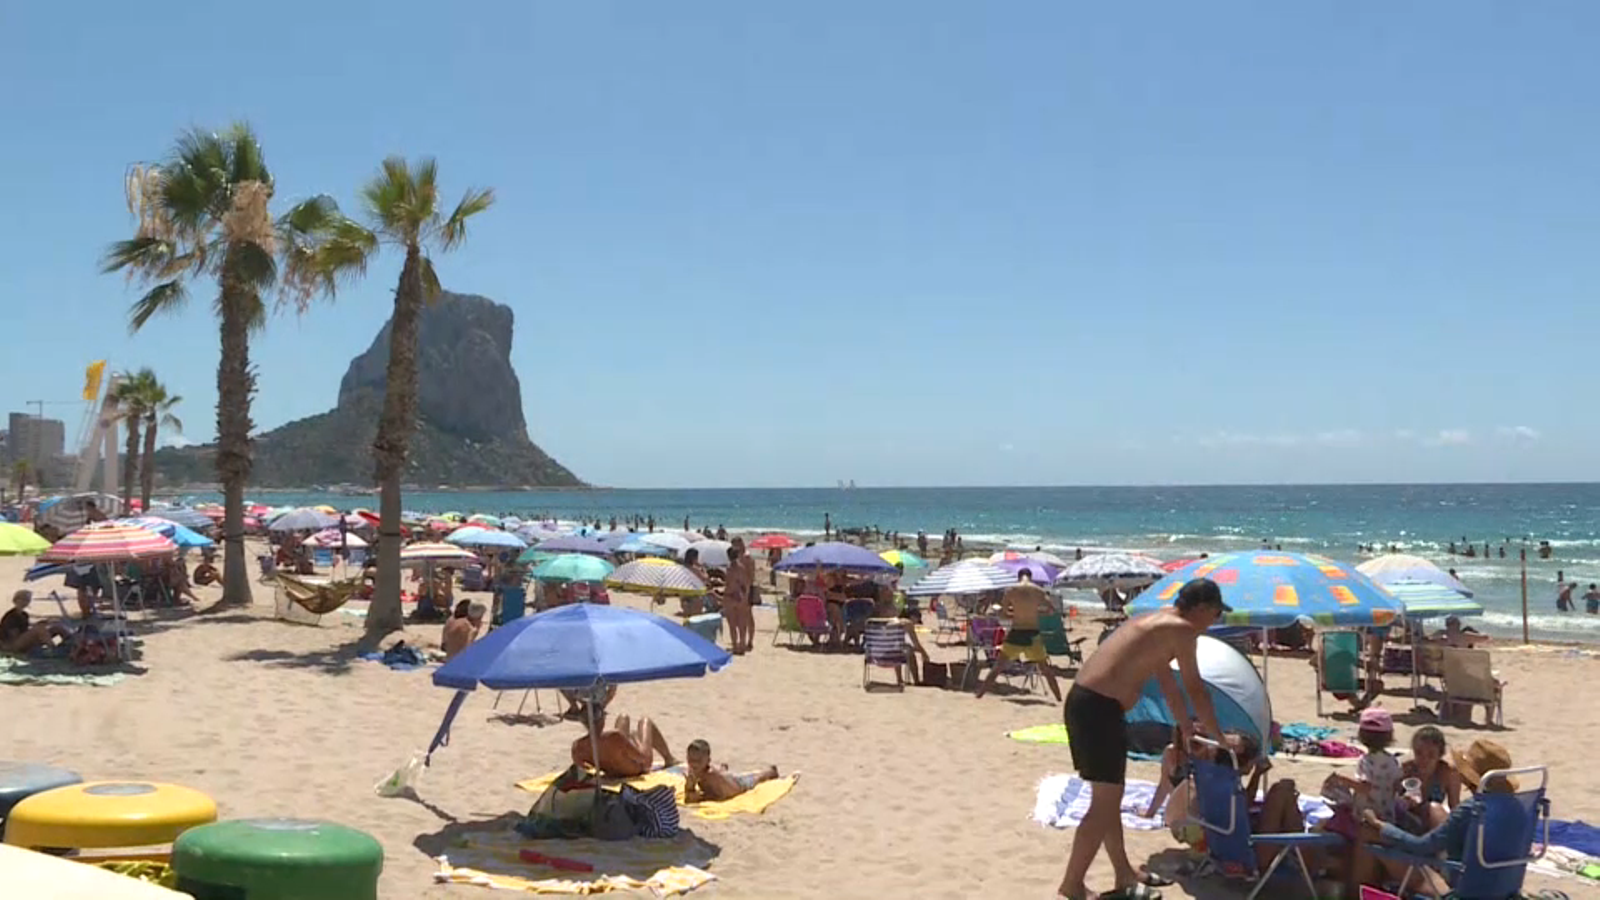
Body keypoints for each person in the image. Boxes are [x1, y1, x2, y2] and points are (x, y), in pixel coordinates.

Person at [1056, 577, 1229, 900]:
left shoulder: (1157, 620)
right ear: (1202, 608)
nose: (1214, 622)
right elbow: (1195, 689)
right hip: (1098, 710)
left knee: (1108, 799)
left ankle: (1123, 873)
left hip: (1087, 704)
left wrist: (1188, 729)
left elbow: (1168, 684)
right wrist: (1220, 738)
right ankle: (1072, 884)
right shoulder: (1182, 629)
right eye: (1216, 614)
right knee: (1104, 804)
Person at [1363, 739, 1521, 898]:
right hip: (1504, 888)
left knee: (1377, 845)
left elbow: (1421, 846)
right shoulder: (1517, 807)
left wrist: (1380, 825)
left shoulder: (1472, 809)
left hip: (1466, 890)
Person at [975, 571, 1063, 702]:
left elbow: (1003, 615)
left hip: (1016, 631)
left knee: (998, 667)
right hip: (1032, 632)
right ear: (1031, 577)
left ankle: (980, 695)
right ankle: (1059, 698)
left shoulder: (1011, 590)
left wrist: (1014, 613)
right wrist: (1036, 613)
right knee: (1045, 669)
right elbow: (1051, 611)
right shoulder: (1038, 591)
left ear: (1019, 577)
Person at [570, 702, 679, 777]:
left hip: (611, 773)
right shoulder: (614, 736)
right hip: (637, 769)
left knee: (623, 717)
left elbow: (584, 771)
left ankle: (632, 740)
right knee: (645, 721)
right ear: (602, 719)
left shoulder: (577, 747)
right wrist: (635, 741)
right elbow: (641, 758)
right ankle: (669, 759)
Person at [1399, 726, 1461, 834]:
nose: (1424, 759)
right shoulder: (1406, 770)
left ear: (1440, 755)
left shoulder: (1447, 773)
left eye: (1431, 755)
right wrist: (1403, 801)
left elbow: (1455, 807)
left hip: (1434, 823)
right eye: (1419, 753)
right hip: (1407, 820)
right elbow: (1391, 801)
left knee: (1436, 810)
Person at [683, 739, 779, 802]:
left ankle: (771, 771)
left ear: (708, 761)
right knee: (725, 774)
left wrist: (700, 796)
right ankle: (723, 769)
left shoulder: (711, 776)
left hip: (737, 786)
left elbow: (720, 796)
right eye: (690, 760)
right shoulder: (694, 770)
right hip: (725, 779)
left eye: (698, 761)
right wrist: (689, 786)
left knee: (755, 779)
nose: (694, 764)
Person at [0, 590, 70, 655]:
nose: (25, 602)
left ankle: (71, 642)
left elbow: (25, 630)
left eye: (27, 600)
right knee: (39, 630)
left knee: (56, 626)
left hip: (21, 640)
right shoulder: (11, 616)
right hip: (10, 644)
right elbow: (13, 636)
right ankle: (53, 650)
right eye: (23, 599)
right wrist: (34, 631)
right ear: (16, 600)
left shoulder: (24, 615)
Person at [725, 537, 757, 654]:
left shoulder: (747, 557)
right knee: (741, 618)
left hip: (745, 588)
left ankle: (749, 641)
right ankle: (742, 643)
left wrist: (745, 592)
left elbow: (751, 576)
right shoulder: (739, 559)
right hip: (741, 588)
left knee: (747, 617)